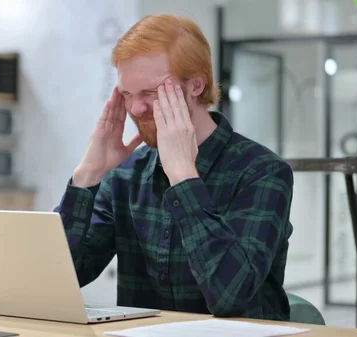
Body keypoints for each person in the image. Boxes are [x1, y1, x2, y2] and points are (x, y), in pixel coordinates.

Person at [54, 14, 294, 321]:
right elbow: (61, 278)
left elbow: (229, 296)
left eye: (150, 93)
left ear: (195, 85)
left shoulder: (262, 171)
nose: (136, 109)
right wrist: (87, 176)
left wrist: (183, 177)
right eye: (127, 94)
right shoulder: (125, 175)